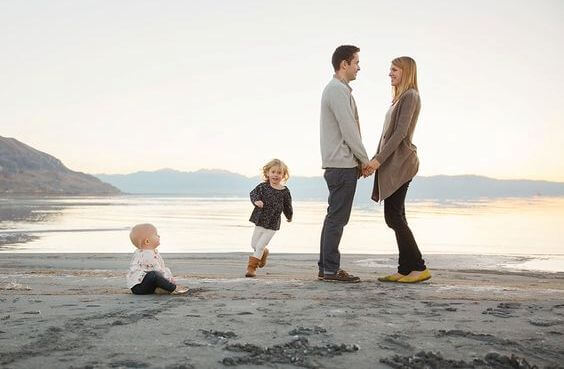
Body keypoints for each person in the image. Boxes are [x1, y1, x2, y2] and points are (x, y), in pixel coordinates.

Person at [363, 56, 431, 283]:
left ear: (406, 71)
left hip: (401, 164)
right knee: (395, 216)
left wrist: (377, 161)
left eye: (394, 70)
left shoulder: (411, 96)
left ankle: (419, 267)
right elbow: (386, 138)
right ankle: (405, 269)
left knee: (394, 217)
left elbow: (400, 133)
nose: (389, 73)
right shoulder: (399, 98)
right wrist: (374, 159)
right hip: (392, 163)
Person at [319, 45, 370, 283]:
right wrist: (365, 160)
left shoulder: (338, 90)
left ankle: (326, 268)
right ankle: (330, 269)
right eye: (356, 62)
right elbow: (348, 129)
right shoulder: (337, 90)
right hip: (342, 165)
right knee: (337, 219)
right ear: (344, 64)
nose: (359, 67)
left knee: (334, 217)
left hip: (338, 164)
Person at [246, 159, 293, 277]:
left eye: (279, 173)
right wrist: (256, 201)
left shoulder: (284, 191)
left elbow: (287, 205)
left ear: (283, 175)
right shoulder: (262, 187)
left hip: (273, 222)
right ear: (267, 173)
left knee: (260, 246)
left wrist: (289, 216)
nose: (275, 175)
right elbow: (253, 194)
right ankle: (264, 253)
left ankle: (251, 269)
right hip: (260, 219)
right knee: (254, 245)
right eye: (273, 172)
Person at [126, 223, 189, 294]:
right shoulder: (146, 254)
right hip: (140, 287)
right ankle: (174, 288)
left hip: (143, 285)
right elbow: (156, 269)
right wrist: (167, 280)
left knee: (157, 275)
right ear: (147, 241)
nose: (159, 236)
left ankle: (158, 289)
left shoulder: (149, 252)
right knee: (154, 275)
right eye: (156, 234)